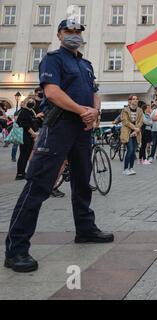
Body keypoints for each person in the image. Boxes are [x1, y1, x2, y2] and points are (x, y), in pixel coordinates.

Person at [4, 19, 114, 273]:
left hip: (83, 130)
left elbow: (94, 91)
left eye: (77, 32)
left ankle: (85, 229)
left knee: (82, 181)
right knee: (39, 184)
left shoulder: (85, 64)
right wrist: (81, 111)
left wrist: (94, 112)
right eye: (69, 31)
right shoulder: (53, 59)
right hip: (59, 127)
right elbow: (52, 93)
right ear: (59, 34)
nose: (74, 35)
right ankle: (16, 248)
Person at [15, 97, 38, 180]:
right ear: (25, 102)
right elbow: (24, 124)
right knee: (24, 155)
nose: (31, 103)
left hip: (30, 136)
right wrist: (33, 133)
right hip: (26, 136)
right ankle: (20, 173)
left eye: (33, 101)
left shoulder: (31, 111)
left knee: (26, 154)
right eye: (30, 101)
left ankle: (22, 172)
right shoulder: (24, 111)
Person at [121, 95, 143, 175]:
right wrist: (135, 128)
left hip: (136, 133)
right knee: (129, 150)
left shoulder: (140, 110)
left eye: (137, 99)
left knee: (133, 151)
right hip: (128, 132)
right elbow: (125, 121)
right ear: (130, 101)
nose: (135, 100)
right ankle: (125, 169)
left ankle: (131, 168)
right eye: (133, 99)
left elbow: (141, 121)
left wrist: (136, 130)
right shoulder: (125, 110)